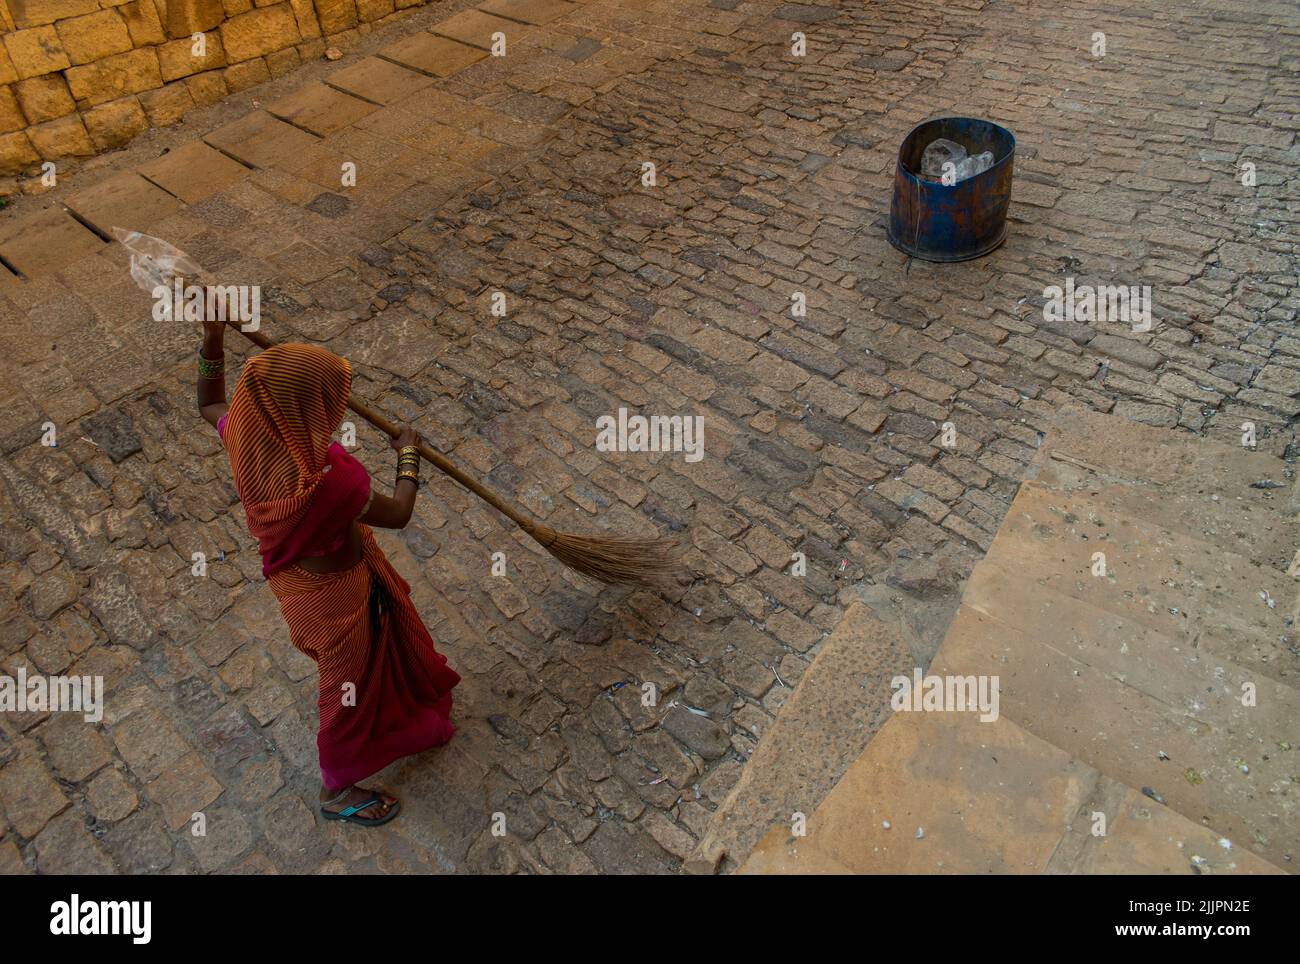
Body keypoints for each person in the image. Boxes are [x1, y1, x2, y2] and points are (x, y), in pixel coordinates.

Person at [196, 308, 459, 827]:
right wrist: (409, 456)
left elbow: (209, 403)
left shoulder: (248, 443)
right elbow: (400, 513)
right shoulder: (330, 482)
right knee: (344, 694)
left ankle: (396, 720)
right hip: (335, 604)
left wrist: (213, 339)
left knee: (353, 679)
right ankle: (337, 790)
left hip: (300, 586)